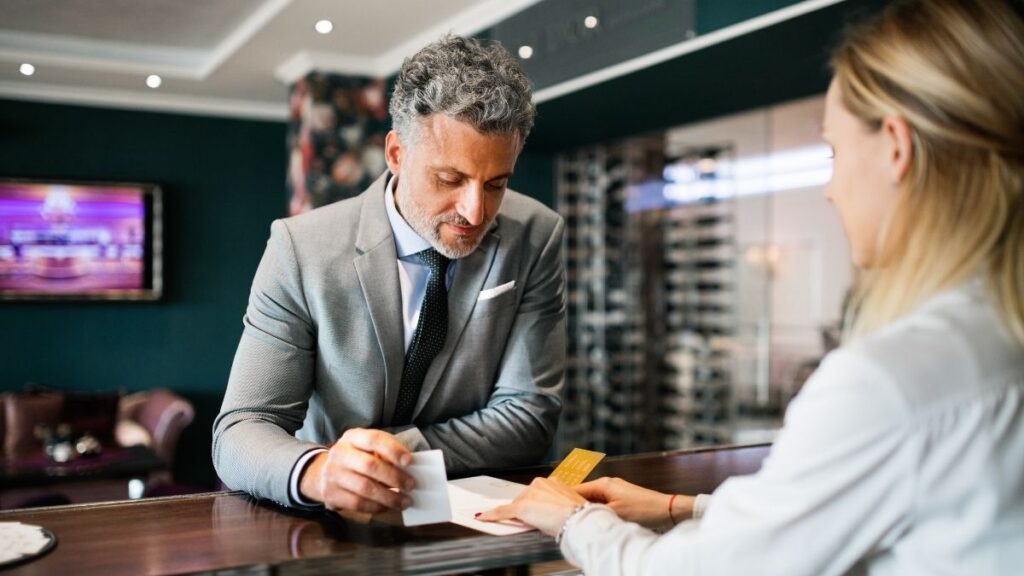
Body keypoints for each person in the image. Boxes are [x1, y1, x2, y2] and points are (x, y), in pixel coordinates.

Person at [479, 0, 1024, 573]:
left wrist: (573, 520)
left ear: (895, 146)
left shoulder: (889, 382)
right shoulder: (993, 339)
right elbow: (840, 509)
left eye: (834, 152)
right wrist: (679, 507)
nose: (831, 189)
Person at [213, 35, 566, 515]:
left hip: (473, 521)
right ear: (396, 153)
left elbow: (529, 418)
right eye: (450, 179)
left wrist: (384, 456)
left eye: (497, 183)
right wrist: (320, 469)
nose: (476, 210)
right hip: (328, 520)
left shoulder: (536, 235)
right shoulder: (300, 249)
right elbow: (240, 431)